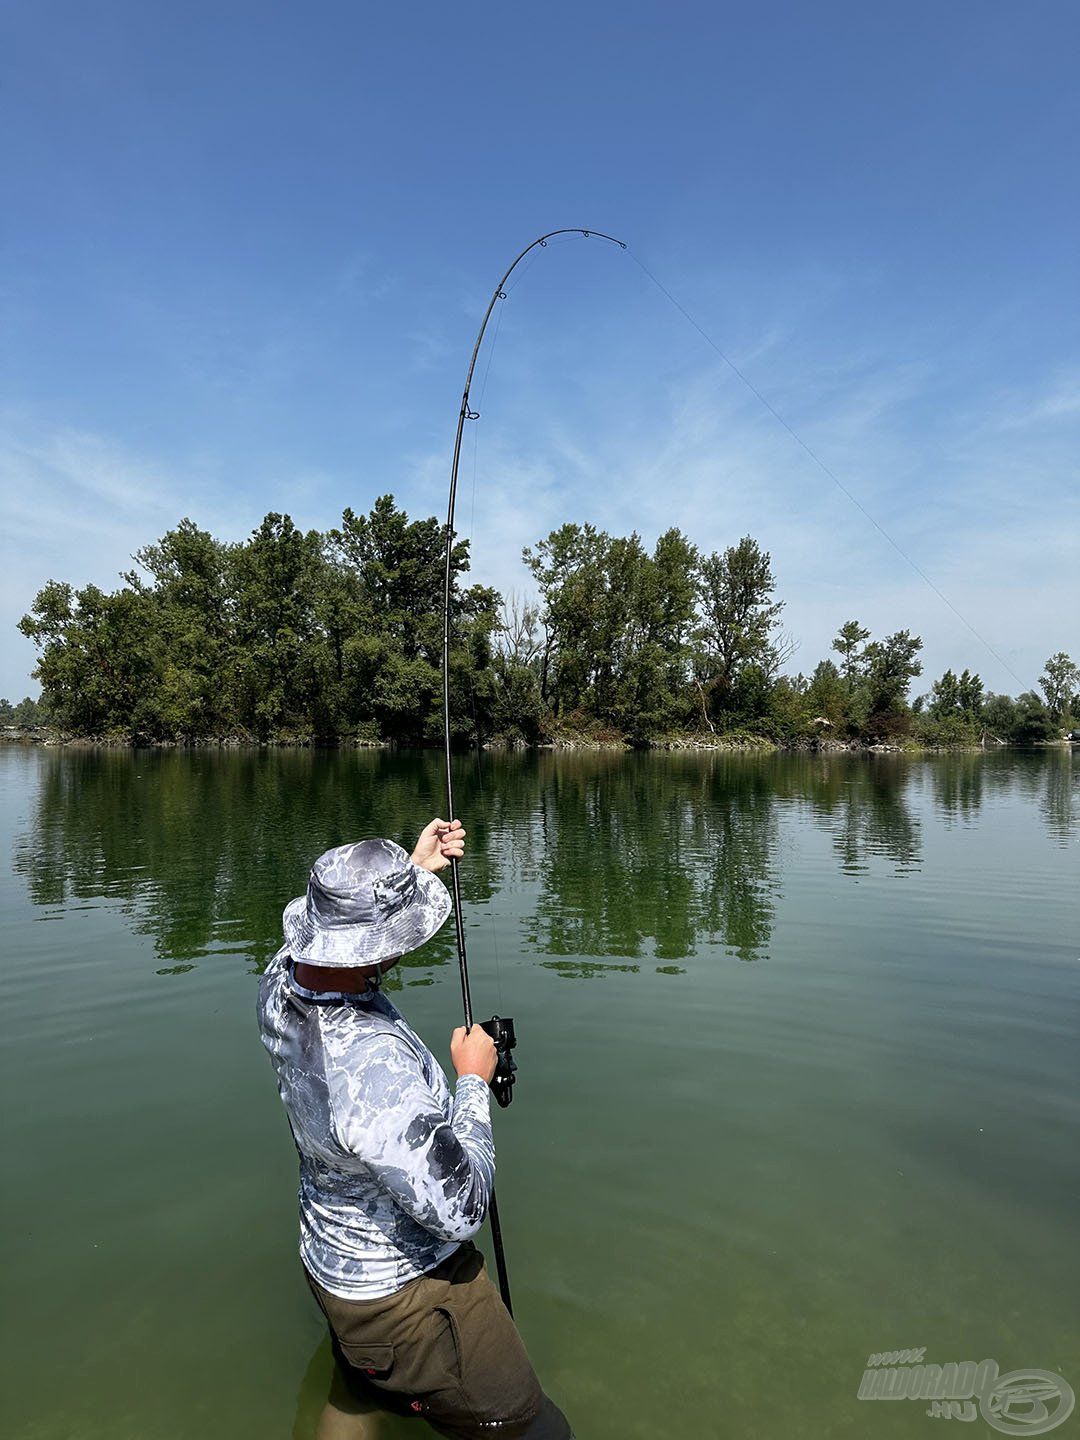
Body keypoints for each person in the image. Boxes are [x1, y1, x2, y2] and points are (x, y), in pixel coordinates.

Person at [258, 819, 573, 1440]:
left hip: (334, 1268)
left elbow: (338, 944)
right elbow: (461, 1209)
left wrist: (413, 870)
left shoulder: (279, 985)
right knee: (533, 1431)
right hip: (408, 1300)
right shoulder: (372, 1067)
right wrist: (473, 1082)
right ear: (373, 946)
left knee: (357, 1395)